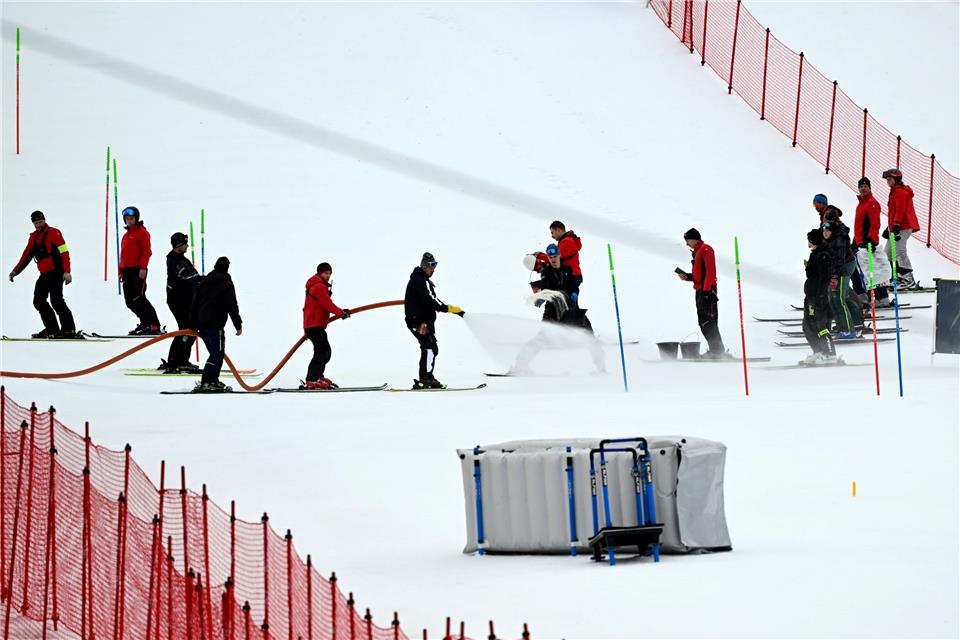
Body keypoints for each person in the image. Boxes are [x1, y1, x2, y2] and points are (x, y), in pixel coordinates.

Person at [511, 244, 604, 374]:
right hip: (553, 310)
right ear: (548, 258)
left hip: (571, 308)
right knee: (542, 337)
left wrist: (575, 293)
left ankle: (601, 367)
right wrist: (541, 296)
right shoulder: (546, 273)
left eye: (555, 256)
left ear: (559, 255)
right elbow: (545, 288)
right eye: (550, 257)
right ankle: (520, 365)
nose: (553, 259)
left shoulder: (567, 269)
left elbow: (574, 286)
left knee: (588, 333)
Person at [7, 210, 78, 338]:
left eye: (40, 222)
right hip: (44, 274)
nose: (38, 225)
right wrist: (15, 270)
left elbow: (64, 252)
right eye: (36, 223)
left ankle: (69, 330)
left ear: (44, 220)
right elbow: (26, 255)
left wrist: (67, 271)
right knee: (38, 301)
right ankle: (52, 328)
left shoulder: (54, 233)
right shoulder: (33, 237)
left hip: (56, 272)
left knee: (56, 301)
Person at [404, 252, 464, 389]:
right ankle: (426, 379)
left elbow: (429, 299)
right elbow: (431, 300)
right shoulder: (420, 281)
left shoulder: (420, 280)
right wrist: (448, 308)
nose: (433, 269)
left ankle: (425, 378)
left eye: (435, 265)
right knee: (430, 348)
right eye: (431, 266)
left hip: (420, 321)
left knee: (429, 348)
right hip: (419, 322)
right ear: (424, 266)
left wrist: (447, 308)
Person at [189, 256, 242, 392]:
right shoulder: (226, 282)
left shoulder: (205, 280)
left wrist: (192, 322)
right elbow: (232, 305)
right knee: (217, 353)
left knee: (215, 352)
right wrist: (238, 325)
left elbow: (195, 301)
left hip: (202, 322)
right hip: (215, 323)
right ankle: (207, 381)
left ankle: (213, 380)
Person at [676, 228, 727, 358]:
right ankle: (716, 350)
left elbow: (711, 272)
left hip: (707, 291)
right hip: (701, 290)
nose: (687, 244)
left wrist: (707, 291)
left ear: (694, 239)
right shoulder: (698, 252)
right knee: (703, 322)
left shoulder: (706, 249)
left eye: (687, 241)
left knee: (709, 321)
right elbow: (700, 275)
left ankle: (718, 352)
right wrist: (687, 277)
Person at [302, 262, 351, 390]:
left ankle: (318, 376)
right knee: (321, 352)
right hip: (314, 326)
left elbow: (326, 304)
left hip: (316, 325)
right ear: (319, 273)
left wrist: (341, 312)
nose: (328, 276)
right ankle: (311, 380)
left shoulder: (320, 286)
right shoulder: (318, 286)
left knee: (325, 352)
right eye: (326, 273)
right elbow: (327, 304)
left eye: (330, 273)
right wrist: (341, 313)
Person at [161, 232, 202, 373]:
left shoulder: (181, 259)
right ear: (179, 245)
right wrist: (202, 279)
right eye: (185, 243)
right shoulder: (174, 261)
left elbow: (193, 275)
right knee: (188, 329)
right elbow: (188, 276)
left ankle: (175, 359)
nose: (187, 246)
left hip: (184, 300)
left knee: (187, 329)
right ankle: (179, 361)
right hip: (178, 301)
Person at [119, 206, 162, 335]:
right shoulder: (126, 235)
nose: (129, 221)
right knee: (129, 301)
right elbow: (123, 255)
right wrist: (121, 271)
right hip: (127, 271)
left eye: (132, 218)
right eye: (127, 219)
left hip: (137, 270)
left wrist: (143, 268)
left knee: (139, 297)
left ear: (136, 219)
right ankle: (145, 323)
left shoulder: (142, 232)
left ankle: (153, 324)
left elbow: (146, 251)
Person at [820, 218, 862, 339]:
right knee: (833, 300)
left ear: (833, 231)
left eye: (828, 231)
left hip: (842, 271)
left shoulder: (838, 241)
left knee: (839, 299)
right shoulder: (828, 241)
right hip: (835, 272)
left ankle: (848, 330)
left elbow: (839, 261)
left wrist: (834, 275)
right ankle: (841, 327)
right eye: (824, 231)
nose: (825, 233)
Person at [801, 229, 838, 365]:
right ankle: (818, 352)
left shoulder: (823, 255)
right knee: (807, 326)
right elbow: (812, 274)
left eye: (809, 240)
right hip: (811, 295)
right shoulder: (816, 254)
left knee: (821, 326)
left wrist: (820, 295)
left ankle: (830, 354)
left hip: (818, 296)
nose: (808, 243)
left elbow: (824, 277)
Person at [851, 177, 890, 307]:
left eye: (865, 186)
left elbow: (875, 223)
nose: (863, 188)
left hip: (868, 243)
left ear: (869, 188)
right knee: (866, 271)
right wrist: (854, 241)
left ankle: (882, 298)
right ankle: (871, 297)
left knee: (874, 270)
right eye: (861, 186)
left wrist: (872, 240)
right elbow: (859, 225)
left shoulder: (872, 203)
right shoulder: (860, 204)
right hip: (860, 242)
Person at [882, 168, 921, 289]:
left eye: (890, 179)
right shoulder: (895, 191)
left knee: (899, 252)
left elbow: (900, 210)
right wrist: (889, 227)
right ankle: (896, 278)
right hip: (896, 227)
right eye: (887, 179)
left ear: (896, 179)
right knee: (887, 253)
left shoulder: (900, 192)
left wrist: (896, 224)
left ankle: (908, 279)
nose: (888, 181)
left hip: (903, 226)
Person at [549, 221, 583, 302]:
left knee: (567, 301)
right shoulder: (565, 241)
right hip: (571, 274)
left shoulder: (566, 241)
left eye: (552, 232)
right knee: (567, 301)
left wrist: (540, 256)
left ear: (558, 230)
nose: (552, 236)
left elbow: (555, 258)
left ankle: (573, 307)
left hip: (571, 274)